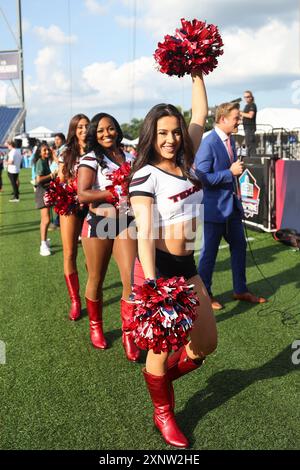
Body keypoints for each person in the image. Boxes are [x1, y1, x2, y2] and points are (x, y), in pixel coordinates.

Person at [128, 71, 217, 448]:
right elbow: (144, 233)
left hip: (189, 270)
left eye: (175, 132)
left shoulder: (189, 160)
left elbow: (199, 114)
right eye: (162, 133)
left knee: (205, 345)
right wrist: (152, 285)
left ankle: (159, 383)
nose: (170, 139)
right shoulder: (145, 176)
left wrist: (196, 69)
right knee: (160, 352)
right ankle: (163, 411)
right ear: (152, 135)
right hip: (162, 274)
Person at [77, 113, 140, 362]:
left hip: (126, 221)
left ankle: (128, 332)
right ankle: (96, 326)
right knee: (96, 278)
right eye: (101, 130)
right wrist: (110, 192)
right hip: (99, 223)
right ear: (94, 133)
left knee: (131, 281)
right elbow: (82, 194)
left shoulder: (129, 156)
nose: (106, 134)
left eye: (111, 128)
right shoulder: (90, 158)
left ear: (117, 130)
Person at [194, 102, 267, 310]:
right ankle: (205, 294)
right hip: (213, 209)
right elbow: (202, 177)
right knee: (209, 253)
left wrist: (232, 173)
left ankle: (240, 289)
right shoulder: (208, 143)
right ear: (223, 119)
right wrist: (229, 172)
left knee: (239, 247)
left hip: (232, 207)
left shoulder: (231, 139)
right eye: (236, 117)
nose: (240, 120)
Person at [58, 114, 90, 321]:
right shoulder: (65, 152)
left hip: (94, 206)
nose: (84, 130)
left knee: (93, 256)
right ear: (73, 129)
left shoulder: (98, 151)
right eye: (79, 127)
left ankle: (91, 291)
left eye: (87, 126)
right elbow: (61, 178)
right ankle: (75, 300)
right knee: (70, 253)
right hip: (70, 206)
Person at [33, 142, 58, 256]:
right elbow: (38, 179)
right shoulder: (40, 162)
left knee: (47, 219)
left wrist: (53, 155)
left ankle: (45, 241)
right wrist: (52, 175)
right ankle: (43, 245)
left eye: (48, 150)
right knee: (46, 220)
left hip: (46, 192)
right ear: (39, 152)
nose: (47, 152)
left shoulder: (45, 161)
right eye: (44, 150)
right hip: (42, 192)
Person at [240, 90, 257, 156]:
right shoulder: (247, 106)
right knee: (248, 146)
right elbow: (245, 117)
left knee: (251, 148)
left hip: (250, 129)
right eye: (245, 97)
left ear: (251, 97)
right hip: (246, 129)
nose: (246, 98)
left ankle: (252, 163)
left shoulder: (252, 105)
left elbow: (250, 115)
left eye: (247, 97)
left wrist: (240, 113)